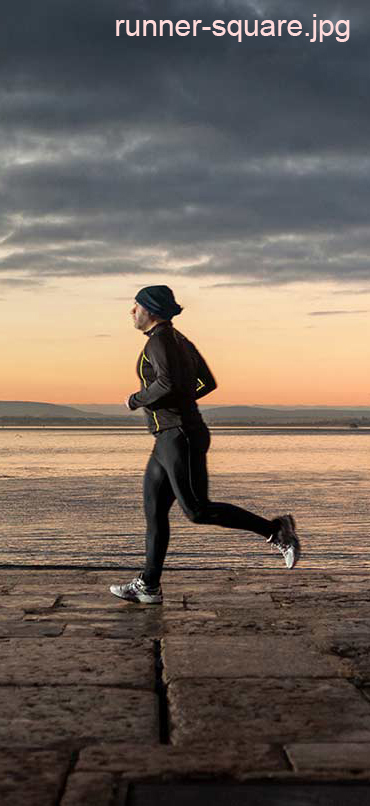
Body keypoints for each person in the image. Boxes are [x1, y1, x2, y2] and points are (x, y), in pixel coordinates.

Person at [110, 285, 301, 604]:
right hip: (170, 437)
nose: (132, 312)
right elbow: (207, 383)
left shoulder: (160, 341)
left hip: (179, 436)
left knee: (197, 510)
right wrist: (180, 402)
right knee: (155, 511)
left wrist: (136, 400)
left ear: (151, 311)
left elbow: (167, 382)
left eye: (136, 307)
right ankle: (149, 585)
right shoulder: (180, 341)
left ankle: (276, 530)